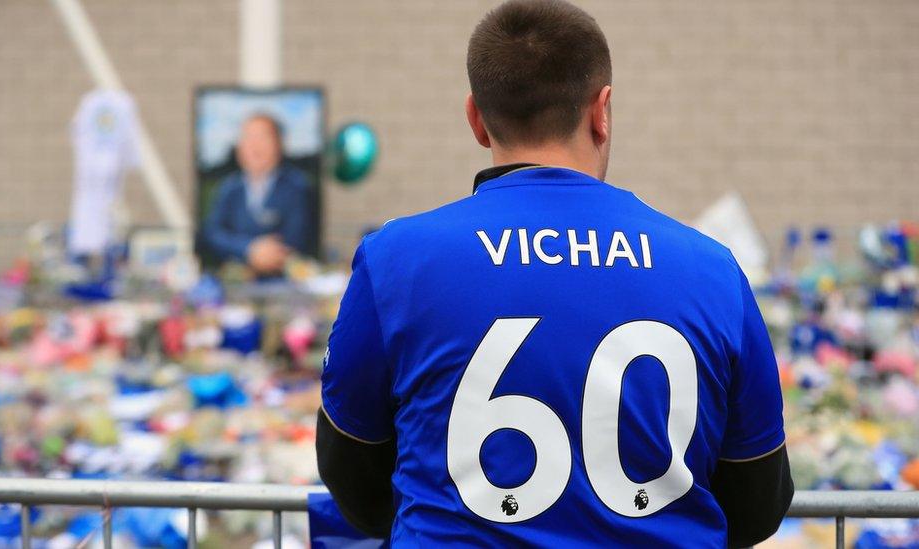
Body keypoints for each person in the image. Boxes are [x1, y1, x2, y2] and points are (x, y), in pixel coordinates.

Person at [317, 1, 793, 547]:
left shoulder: (394, 260)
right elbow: (757, 499)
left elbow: (350, 467)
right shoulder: (713, 269)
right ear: (602, 111)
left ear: (475, 118)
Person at [201, 114, 311, 275]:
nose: (255, 145)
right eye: (248, 137)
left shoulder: (297, 187)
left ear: (279, 144)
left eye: (263, 137)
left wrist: (267, 256)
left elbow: (297, 240)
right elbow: (213, 233)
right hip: (233, 282)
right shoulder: (227, 188)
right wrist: (249, 249)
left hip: (283, 283)